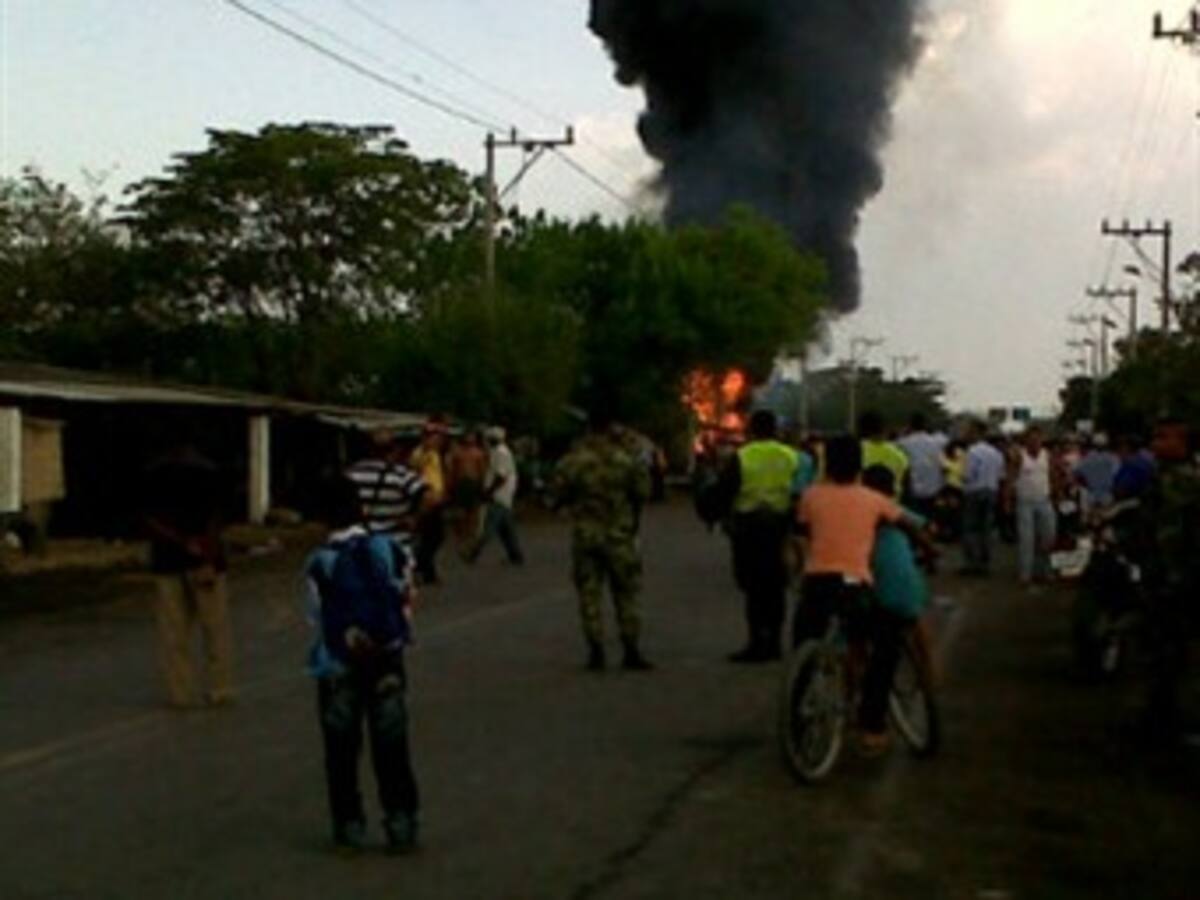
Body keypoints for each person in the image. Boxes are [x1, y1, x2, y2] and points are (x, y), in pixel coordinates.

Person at [303, 477, 420, 853]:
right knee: (392, 746)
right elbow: (406, 597)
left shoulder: (319, 562)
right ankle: (401, 821)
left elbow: (315, 617)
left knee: (341, 750)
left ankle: (349, 824)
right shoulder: (390, 548)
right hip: (386, 659)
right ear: (362, 510)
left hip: (338, 662)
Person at [794, 435, 933, 754]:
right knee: (885, 646)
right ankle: (872, 725)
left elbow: (803, 532)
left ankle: (797, 721)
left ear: (826, 464)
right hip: (853, 585)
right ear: (859, 465)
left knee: (803, 649)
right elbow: (912, 528)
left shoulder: (811, 496)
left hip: (815, 585)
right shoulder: (873, 499)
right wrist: (930, 548)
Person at [554, 409, 653, 671]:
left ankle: (596, 650)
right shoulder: (627, 460)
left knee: (589, 594)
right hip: (620, 534)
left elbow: (557, 495)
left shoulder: (573, 461)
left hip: (587, 535)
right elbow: (643, 493)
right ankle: (631, 649)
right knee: (627, 594)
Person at [143, 445, 235, 709]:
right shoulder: (210, 474)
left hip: (166, 561)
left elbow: (146, 518)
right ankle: (219, 688)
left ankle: (179, 693)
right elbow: (219, 518)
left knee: (173, 632)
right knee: (215, 628)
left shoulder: (153, 474)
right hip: (205, 561)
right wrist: (205, 549)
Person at [721, 410, 810, 663]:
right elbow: (801, 492)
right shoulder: (792, 457)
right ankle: (774, 642)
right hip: (779, 527)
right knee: (776, 586)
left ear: (751, 429)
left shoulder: (742, 456)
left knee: (753, 588)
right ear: (775, 430)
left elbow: (726, 489)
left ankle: (756, 641)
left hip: (749, 528)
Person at [1139, 419, 1200, 739]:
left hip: (1179, 579)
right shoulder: (1162, 478)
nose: (1156, 443)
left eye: (1164, 438)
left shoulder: (1187, 482)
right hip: (1161, 577)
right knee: (1160, 651)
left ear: (1185, 444)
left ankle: (1176, 718)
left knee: (1176, 652)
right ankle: (1161, 713)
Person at [346, 429, 428, 554]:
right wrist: (415, 518)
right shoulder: (402, 474)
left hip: (360, 543)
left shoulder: (351, 474)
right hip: (395, 545)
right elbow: (430, 497)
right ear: (394, 449)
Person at [468, 427, 525, 565]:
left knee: (488, 527)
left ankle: (473, 552)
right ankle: (515, 555)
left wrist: (489, 491)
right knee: (506, 529)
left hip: (499, 495)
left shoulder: (500, 453)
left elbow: (501, 476)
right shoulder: (500, 451)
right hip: (504, 495)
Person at [1010, 426, 1059, 586]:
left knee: (1049, 537)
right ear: (1026, 440)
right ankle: (1025, 575)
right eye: (1031, 439)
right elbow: (1011, 478)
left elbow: (1053, 476)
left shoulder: (1047, 455)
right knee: (1026, 540)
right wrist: (1007, 500)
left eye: (1038, 439)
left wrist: (1057, 495)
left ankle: (1047, 571)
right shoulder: (1020, 456)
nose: (1035, 442)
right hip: (1025, 503)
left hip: (1044, 501)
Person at [960, 420, 1006, 576]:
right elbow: (1001, 475)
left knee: (971, 528)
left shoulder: (972, 452)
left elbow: (967, 475)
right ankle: (986, 563)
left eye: (969, 431)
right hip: (991, 491)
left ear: (976, 433)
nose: (966, 434)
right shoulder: (996, 453)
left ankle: (973, 563)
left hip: (974, 492)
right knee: (986, 528)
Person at [410, 421, 449, 585]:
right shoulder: (421, 453)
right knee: (432, 536)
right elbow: (417, 471)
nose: (438, 441)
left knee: (434, 536)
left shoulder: (434, 454)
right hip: (426, 499)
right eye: (434, 437)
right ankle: (418, 567)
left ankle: (428, 572)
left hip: (436, 498)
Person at [446, 430, 489, 554]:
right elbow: (453, 469)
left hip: (473, 484)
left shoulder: (478, 454)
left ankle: (471, 537)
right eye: (468, 437)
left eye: (472, 437)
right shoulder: (458, 453)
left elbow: (482, 470)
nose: (470, 439)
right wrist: (451, 484)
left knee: (473, 512)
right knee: (460, 512)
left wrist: (482, 486)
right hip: (461, 484)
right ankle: (462, 536)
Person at [897, 413, 946, 519]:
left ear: (910, 425)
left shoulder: (903, 443)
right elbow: (943, 465)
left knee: (915, 521)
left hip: (913, 490)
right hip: (933, 489)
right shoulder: (938, 443)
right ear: (925, 425)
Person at [860, 411, 909, 499]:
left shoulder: (854, 452)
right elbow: (905, 482)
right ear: (884, 429)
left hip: (862, 505)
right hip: (890, 506)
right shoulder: (899, 455)